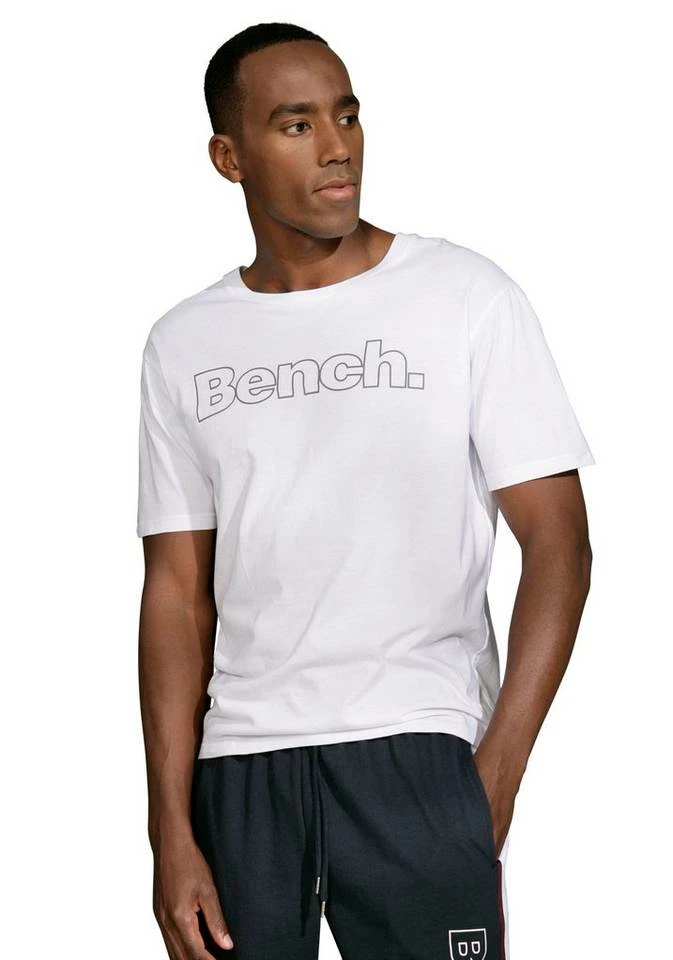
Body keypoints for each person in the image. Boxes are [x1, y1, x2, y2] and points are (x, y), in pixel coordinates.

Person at [136, 21, 595, 960]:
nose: (336, 146)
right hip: (242, 765)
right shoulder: (182, 343)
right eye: (295, 124)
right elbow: (176, 596)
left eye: (345, 116)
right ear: (229, 157)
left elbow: (559, 544)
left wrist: (495, 776)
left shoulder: (463, 296)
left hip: (417, 744)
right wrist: (169, 831)